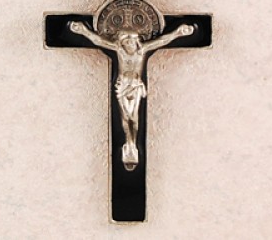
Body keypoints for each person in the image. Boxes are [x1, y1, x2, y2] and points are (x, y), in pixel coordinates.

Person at [70, 21, 194, 170]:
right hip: (123, 87)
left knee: (134, 118)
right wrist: (83, 31)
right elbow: (99, 41)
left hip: (135, 86)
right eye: (126, 41)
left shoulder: (142, 51)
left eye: (132, 41)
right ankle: (127, 142)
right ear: (122, 43)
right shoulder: (119, 51)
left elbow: (162, 41)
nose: (129, 44)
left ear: (137, 42)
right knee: (125, 117)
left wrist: (178, 33)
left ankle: (132, 142)